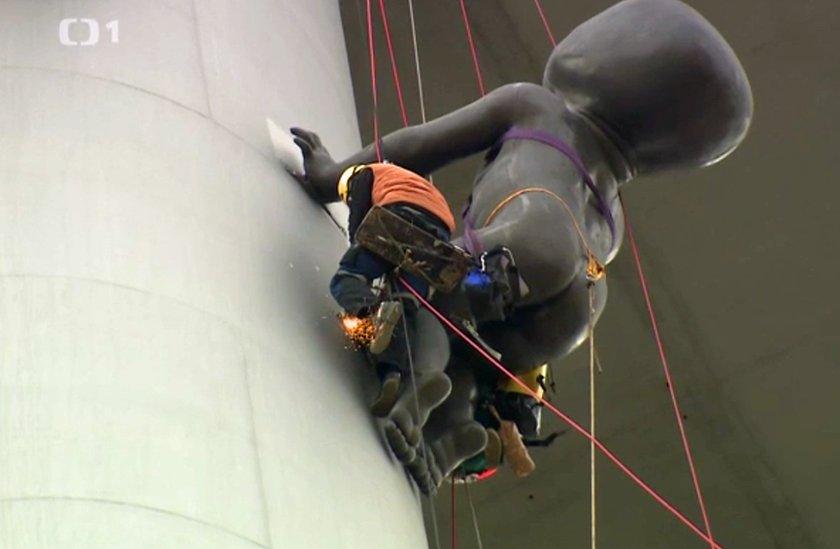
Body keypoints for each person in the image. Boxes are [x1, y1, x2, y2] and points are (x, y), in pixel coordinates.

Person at [291, 0, 752, 492]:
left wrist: (328, 176)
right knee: (481, 354)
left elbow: (415, 148)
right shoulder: (613, 210)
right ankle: (455, 426)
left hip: (528, 237)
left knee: (426, 284)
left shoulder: (534, 105)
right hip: (580, 295)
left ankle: (421, 374)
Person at [295, 149, 457, 419]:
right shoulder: (412, 182)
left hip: (400, 216)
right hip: (438, 239)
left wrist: (358, 246)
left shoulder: (363, 173)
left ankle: (371, 317)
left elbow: (359, 217)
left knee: (347, 279)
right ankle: (391, 374)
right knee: (406, 305)